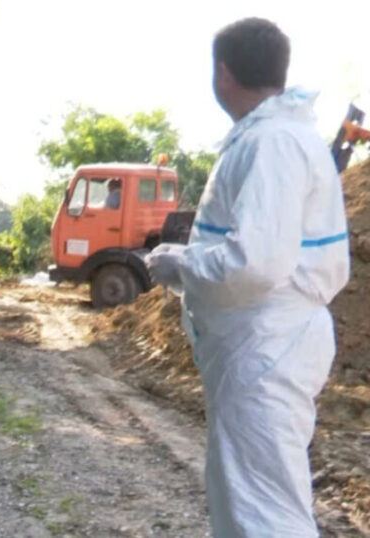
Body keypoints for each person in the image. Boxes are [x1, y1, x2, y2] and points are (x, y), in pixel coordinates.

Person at [146, 18, 349, 537]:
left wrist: (180, 265)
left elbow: (257, 264)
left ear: (222, 73)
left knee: (263, 511)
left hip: (266, 346)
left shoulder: (274, 143)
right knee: (250, 500)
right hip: (263, 345)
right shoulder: (276, 136)